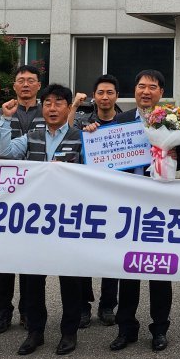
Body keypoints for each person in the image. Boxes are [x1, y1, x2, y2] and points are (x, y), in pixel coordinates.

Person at [0, 83, 89, 356]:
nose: (52, 107)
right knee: (32, 279)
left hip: (68, 219)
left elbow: (95, 173)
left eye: (59, 102)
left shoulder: (79, 137)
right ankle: (35, 331)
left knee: (70, 280)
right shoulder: (31, 137)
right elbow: (5, 154)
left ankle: (69, 333)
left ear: (68, 107)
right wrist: (5, 120)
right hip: (35, 221)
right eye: (47, 103)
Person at [109, 69, 180, 353]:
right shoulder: (119, 121)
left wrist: (169, 158)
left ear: (161, 93)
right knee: (128, 268)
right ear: (134, 90)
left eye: (153, 87)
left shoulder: (173, 120)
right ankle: (126, 328)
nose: (146, 91)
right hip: (128, 206)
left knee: (160, 269)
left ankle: (159, 328)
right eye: (141, 86)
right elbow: (105, 158)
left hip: (159, 207)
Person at [0, 64, 47, 335]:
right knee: (5, 257)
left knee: (32, 258)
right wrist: (3, 117)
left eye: (31, 80)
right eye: (21, 80)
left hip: (38, 197)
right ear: (14, 86)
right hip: (6, 194)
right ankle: (3, 311)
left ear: (38, 85)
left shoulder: (48, 112)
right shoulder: (2, 113)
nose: (25, 84)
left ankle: (27, 310)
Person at [72, 74, 124, 326]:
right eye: (100, 93)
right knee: (84, 255)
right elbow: (64, 136)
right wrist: (83, 132)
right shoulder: (83, 122)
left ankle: (107, 306)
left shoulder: (127, 124)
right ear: (95, 96)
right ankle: (82, 306)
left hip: (117, 199)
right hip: (87, 198)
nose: (105, 97)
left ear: (116, 96)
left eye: (110, 93)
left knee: (111, 256)